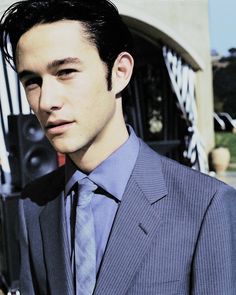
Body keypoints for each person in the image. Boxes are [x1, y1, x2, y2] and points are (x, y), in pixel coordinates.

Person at [0, 0, 236, 294]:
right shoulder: (33, 205)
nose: (46, 101)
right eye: (32, 81)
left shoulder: (206, 206)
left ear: (120, 71)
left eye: (66, 72)